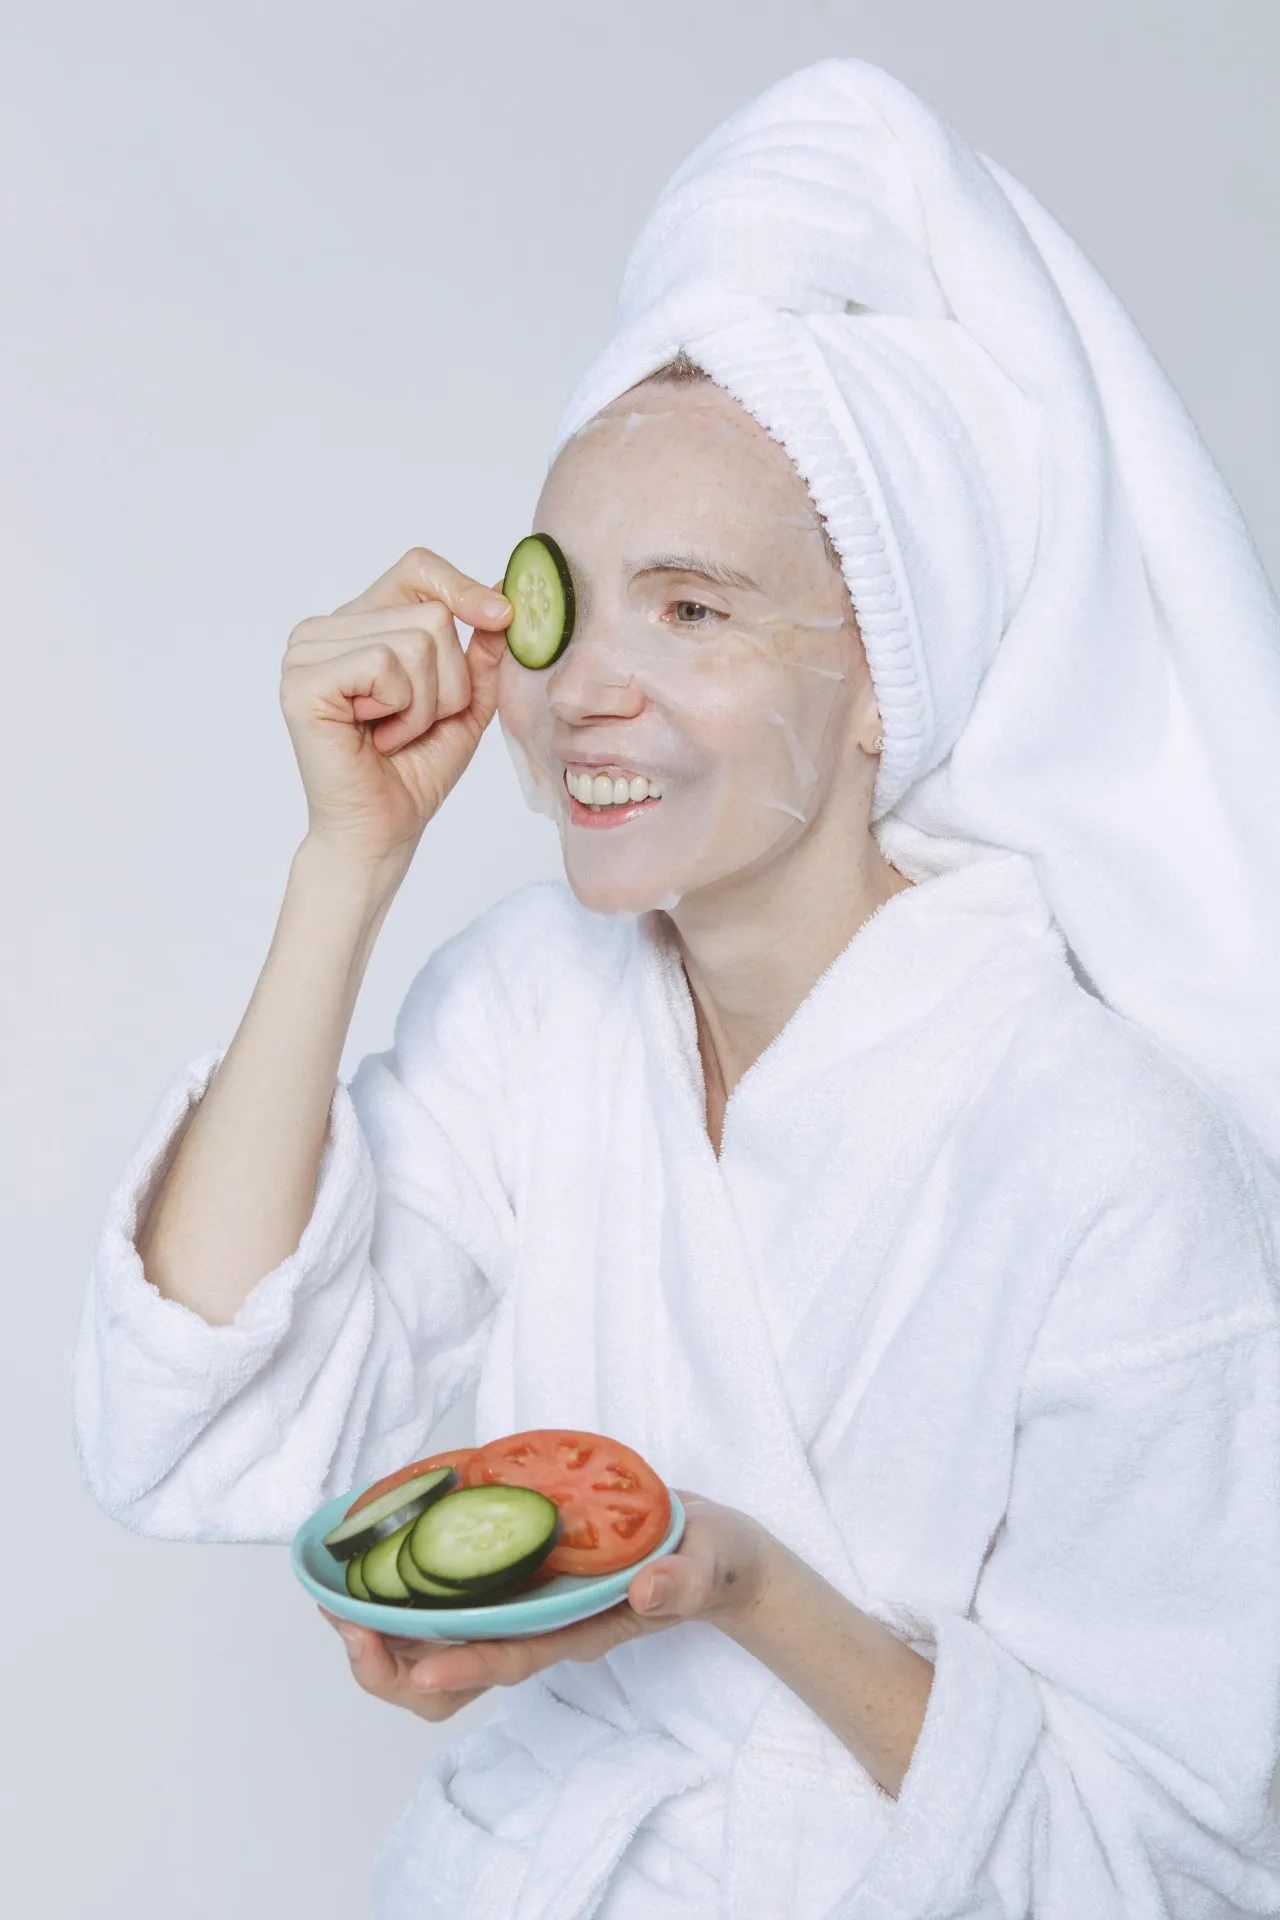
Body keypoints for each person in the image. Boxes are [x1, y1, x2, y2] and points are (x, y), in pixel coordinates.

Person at [73, 56, 1280, 1920]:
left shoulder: (1111, 1159)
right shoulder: (532, 1015)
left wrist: (744, 1585)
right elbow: (201, 1422)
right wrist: (348, 864)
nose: (583, 691)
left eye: (695, 607)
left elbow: (1173, 1858)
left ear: (885, 680)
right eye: (564, 599)